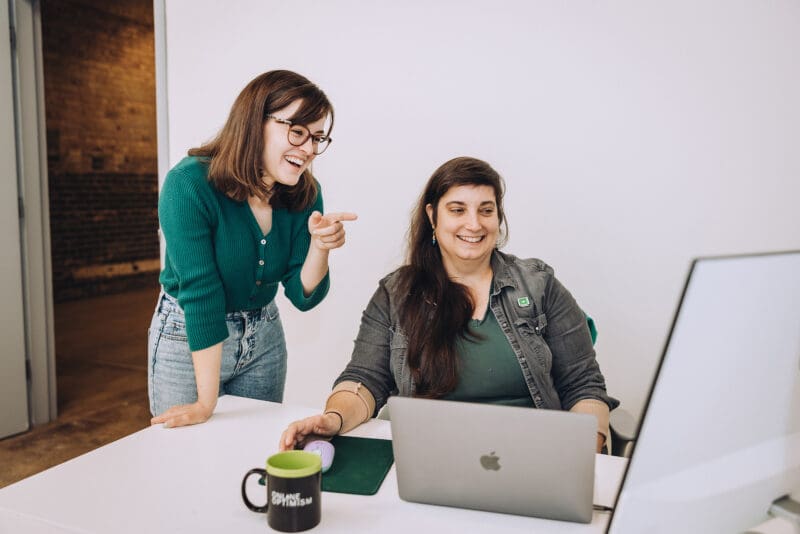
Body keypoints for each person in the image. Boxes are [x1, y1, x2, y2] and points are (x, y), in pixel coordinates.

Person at [280, 156, 617, 452]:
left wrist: (585, 451)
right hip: (431, 452)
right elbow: (365, 379)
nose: (474, 224)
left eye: (486, 210)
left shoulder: (540, 284)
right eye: (458, 210)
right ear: (432, 215)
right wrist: (332, 420)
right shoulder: (396, 293)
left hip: (533, 451)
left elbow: (583, 385)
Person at [148, 70, 356, 428]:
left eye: (317, 138)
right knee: (184, 458)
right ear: (254, 121)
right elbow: (201, 294)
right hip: (189, 335)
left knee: (252, 453)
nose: (308, 149)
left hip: (263, 338)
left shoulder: (304, 191)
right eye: (297, 132)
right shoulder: (188, 185)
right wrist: (205, 403)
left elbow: (303, 295)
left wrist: (319, 248)